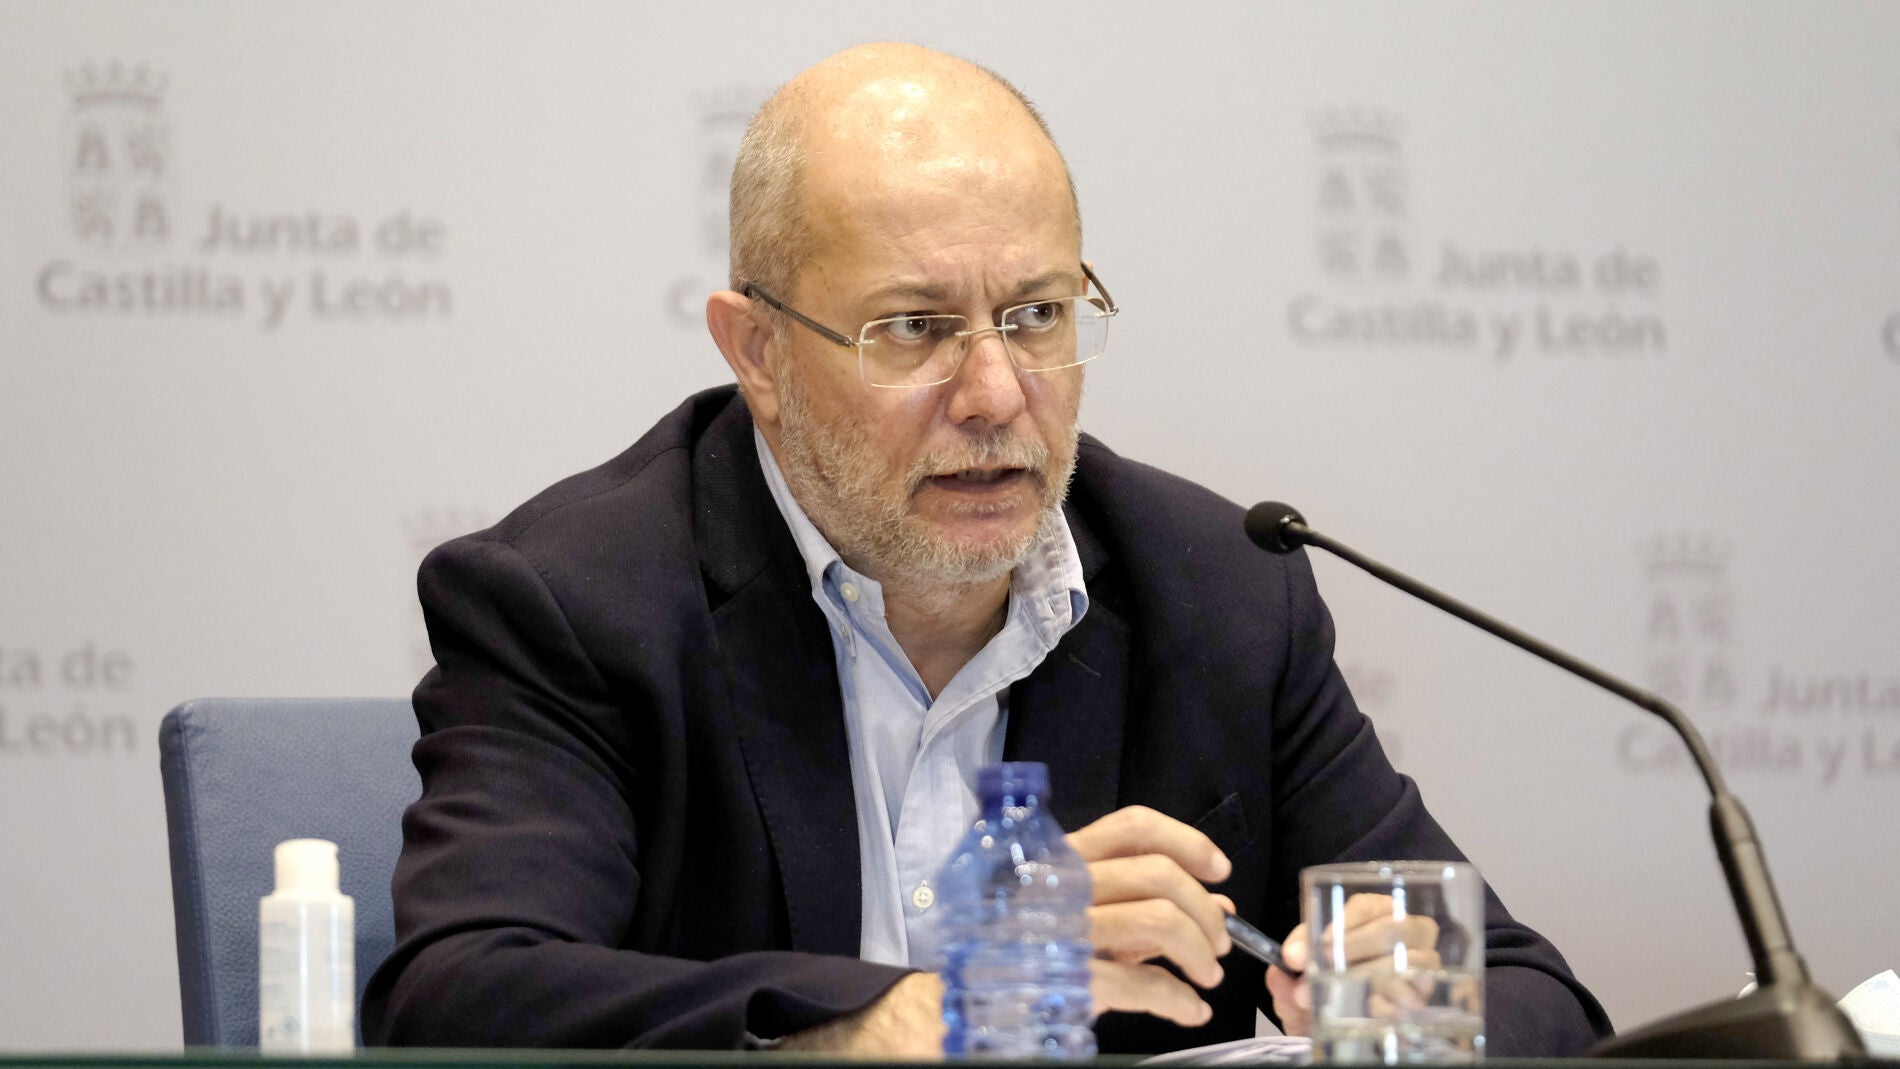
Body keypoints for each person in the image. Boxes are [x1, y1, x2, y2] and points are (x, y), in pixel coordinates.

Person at [362, 42, 1610, 1056]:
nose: (997, 393)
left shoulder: (1220, 592)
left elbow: (1531, 995)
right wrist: (939, 1009)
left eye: (1036, 315)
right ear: (759, 353)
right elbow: (459, 999)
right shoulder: (577, 603)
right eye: (913, 328)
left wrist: (1412, 1016)